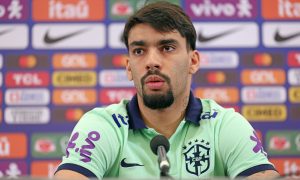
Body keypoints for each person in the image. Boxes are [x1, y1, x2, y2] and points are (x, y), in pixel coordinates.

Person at [54, 1, 279, 179]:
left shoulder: (224, 125)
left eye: (167, 48)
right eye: (139, 51)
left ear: (193, 61)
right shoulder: (102, 125)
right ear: (128, 67)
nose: (152, 62)